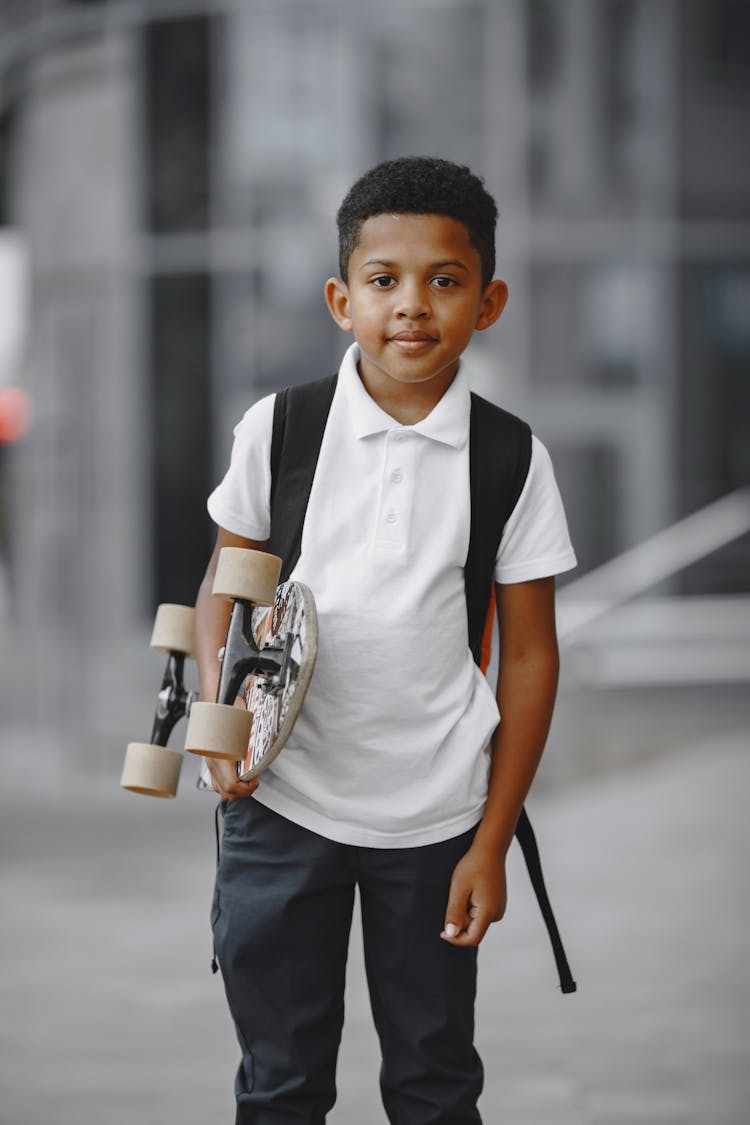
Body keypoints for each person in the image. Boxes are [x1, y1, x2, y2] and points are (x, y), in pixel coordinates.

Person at [194, 155, 576, 1124]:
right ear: (340, 298)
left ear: (487, 304)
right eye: (384, 281)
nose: (413, 305)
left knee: (435, 1085)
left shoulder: (510, 456)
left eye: (444, 282)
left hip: (438, 822)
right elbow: (223, 591)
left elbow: (530, 655)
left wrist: (491, 840)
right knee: (278, 1085)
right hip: (282, 808)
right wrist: (218, 726)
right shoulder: (278, 431)